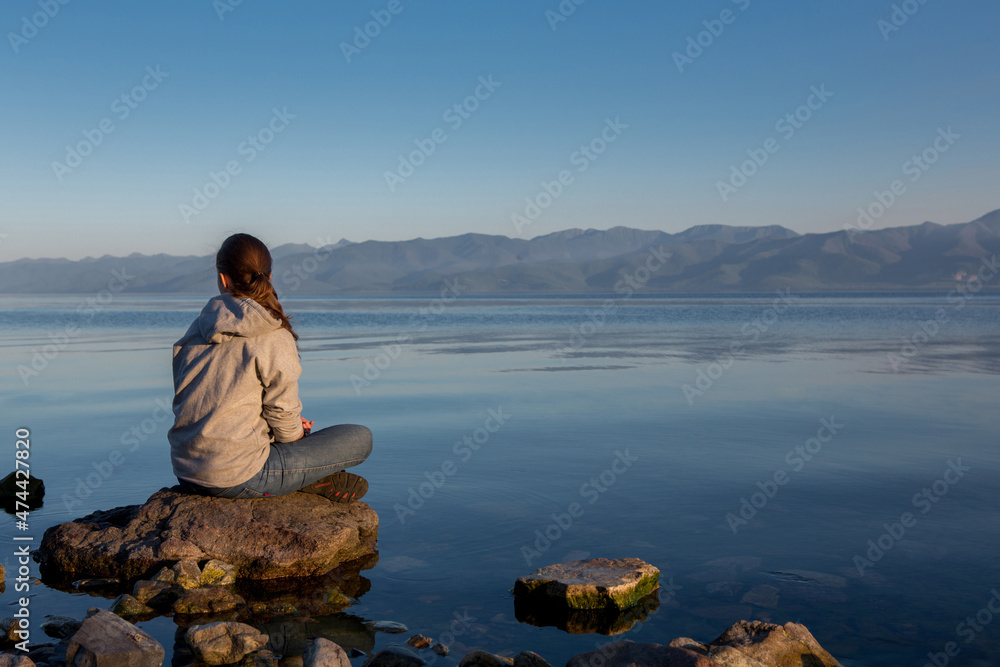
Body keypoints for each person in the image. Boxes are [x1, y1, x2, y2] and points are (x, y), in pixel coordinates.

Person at [168, 232, 372, 502]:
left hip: (186, 470)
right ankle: (307, 478)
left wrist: (284, 427)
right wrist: (300, 435)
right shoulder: (274, 335)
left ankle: (301, 475)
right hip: (240, 476)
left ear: (223, 278)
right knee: (361, 438)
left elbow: (206, 403)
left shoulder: (194, 331)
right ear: (270, 277)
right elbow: (282, 415)